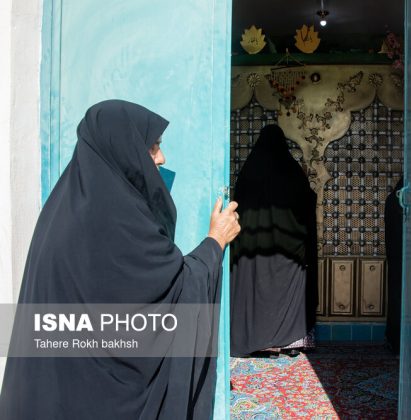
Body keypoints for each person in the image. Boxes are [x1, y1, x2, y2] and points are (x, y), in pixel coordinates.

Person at [0, 100, 240, 419]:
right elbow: (173, 292)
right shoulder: (117, 222)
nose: (162, 158)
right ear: (124, 149)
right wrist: (215, 242)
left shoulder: (61, 210)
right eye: (153, 147)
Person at [230, 124, 318, 358]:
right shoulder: (291, 171)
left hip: (253, 251)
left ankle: (257, 340)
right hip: (287, 252)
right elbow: (305, 202)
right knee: (286, 293)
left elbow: (240, 207)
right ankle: (288, 341)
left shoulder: (249, 172)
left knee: (256, 291)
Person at [385, 177, 404, 353]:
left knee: (396, 297)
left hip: (395, 257)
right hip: (408, 259)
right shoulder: (406, 201)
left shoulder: (391, 200)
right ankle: (402, 342)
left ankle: (394, 339)